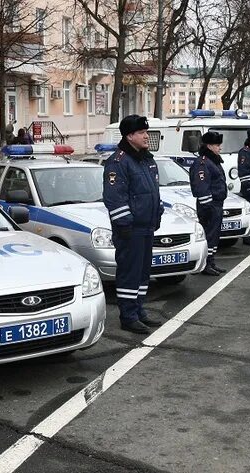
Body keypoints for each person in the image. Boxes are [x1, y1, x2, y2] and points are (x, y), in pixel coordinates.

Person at [103, 115, 164, 334]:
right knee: (130, 273)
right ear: (130, 136)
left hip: (146, 227)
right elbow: (115, 198)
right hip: (130, 230)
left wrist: (158, 213)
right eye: (141, 133)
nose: (146, 136)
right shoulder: (118, 162)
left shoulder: (146, 159)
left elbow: (152, 192)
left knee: (142, 272)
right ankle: (128, 316)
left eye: (146, 132)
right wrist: (125, 225)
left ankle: (138, 310)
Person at [189, 131, 228, 275]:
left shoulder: (213, 161)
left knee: (214, 235)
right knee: (209, 235)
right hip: (209, 206)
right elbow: (202, 186)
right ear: (209, 146)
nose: (220, 148)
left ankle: (211, 261)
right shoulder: (202, 163)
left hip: (216, 204)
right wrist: (208, 206)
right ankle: (205, 264)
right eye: (217, 145)